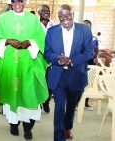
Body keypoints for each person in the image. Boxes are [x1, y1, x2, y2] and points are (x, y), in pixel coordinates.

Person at [0, 0, 49, 140]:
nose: (17, 3)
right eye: (14, 1)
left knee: (29, 93)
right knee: (11, 93)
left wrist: (30, 42)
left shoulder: (33, 19)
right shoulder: (3, 18)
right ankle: (13, 124)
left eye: (21, 1)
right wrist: (8, 41)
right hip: (10, 64)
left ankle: (28, 128)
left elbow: (41, 39)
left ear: (25, 2)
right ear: (11, 2)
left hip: (29, 64)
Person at [44, 4, 94, 141]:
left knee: (71, 106)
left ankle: (67, 128)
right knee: (59, 107)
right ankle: (59, 138)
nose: (64, 19)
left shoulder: (84, 30)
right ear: (58, 17)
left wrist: (71, 60)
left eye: (67, 15)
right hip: (58, 75)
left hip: (76, 75)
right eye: (61, 16)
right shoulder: (52, 32)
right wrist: (58, 59)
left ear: (73, 15)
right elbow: (47, 53)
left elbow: (89, 52)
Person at [38, 4, 57, 113]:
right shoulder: (35, 24)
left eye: (48, 10)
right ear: (38, 12)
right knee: (39, 80)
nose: (46, 12)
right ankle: (39, 101)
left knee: (50, 83)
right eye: (43, 10)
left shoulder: (54, 25)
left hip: (50, 58)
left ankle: (46, 101)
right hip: (38, 57)